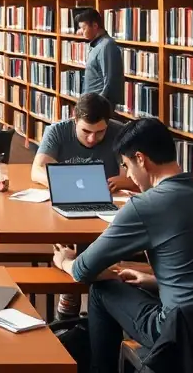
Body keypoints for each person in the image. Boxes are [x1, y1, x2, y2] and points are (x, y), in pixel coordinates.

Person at [51, 118, 193, 373]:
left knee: (101, 289)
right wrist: (155, 280)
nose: (128, 175)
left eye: (126, 166)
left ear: (141, 159)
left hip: (182, 334)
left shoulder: (146, 205)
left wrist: (64, 260)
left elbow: (83, 270)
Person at [32, 92, 135, 320]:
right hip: (69, 202)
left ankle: (85, 297)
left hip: (107, 204)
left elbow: (142, 170)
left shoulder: (120, 132)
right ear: (74, 118)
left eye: (100, 132)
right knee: (67, 234)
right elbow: (37, 170)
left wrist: (125, 180)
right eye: (86, 131)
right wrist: (67, 181)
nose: (92, 139)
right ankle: (72, 298)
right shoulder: (57, 131)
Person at [75, 8, 125, 108]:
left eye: (84, 28)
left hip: (97, 107)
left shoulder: (107, 45)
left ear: (95, 26)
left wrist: (99, 107)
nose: (80, 32)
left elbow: (109, 80)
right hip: (90, 102)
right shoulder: (96, 44)